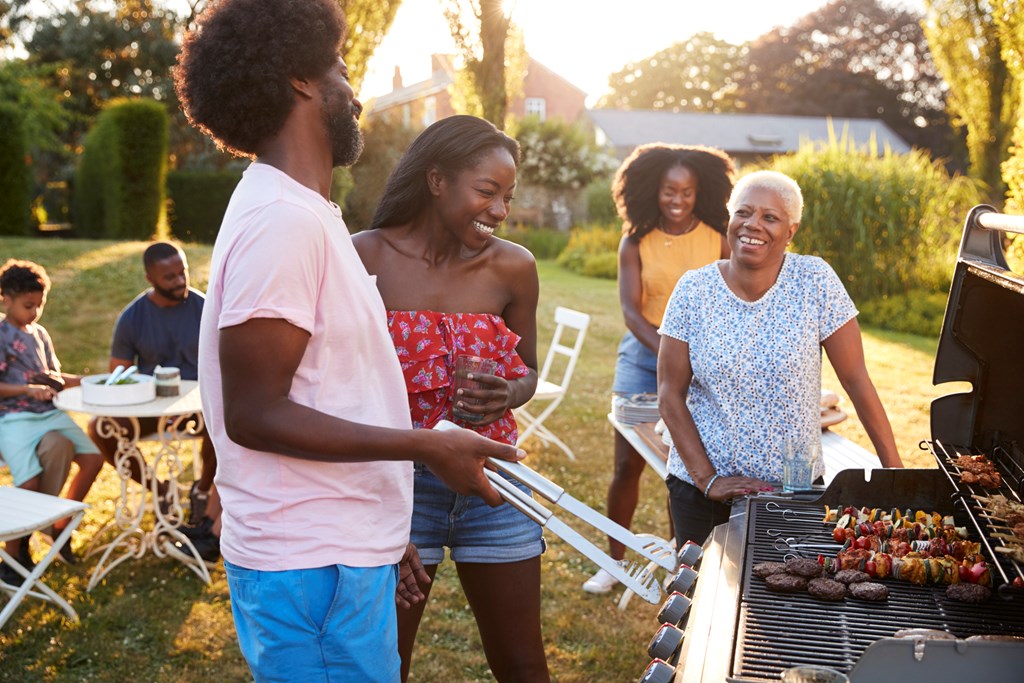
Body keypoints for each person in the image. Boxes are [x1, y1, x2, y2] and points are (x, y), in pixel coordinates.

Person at [173, 2, 522, 681]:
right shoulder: (282, 220)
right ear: (299, 80)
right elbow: (254, 412)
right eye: (338, 67)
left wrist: (383, 529)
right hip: (310, 567)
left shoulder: (310, 212)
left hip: (339, 551)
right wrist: (429, 445)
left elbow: (335, 388)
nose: (352, 90)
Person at [354, 115, 548, 682]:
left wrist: (508, 391)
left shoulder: (514, 267)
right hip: (395, 486)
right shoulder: (363, 258)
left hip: (493, 482)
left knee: (523, 666)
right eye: (487, 192)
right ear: (437, 181)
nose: (500, 211)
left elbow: (530, 372)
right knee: (386, 664)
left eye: (508, 197)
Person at [657, 170, 905, 548]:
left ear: (790, 231)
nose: (752, 225)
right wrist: (707, 479)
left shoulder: (815, 281)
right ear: (730, 217)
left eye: (770, 217)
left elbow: (856, 381)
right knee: (702, 601)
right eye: (743, 212)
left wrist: (896, 476)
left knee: (785, 595)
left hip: (795, 489)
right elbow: (668, 393)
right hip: (702, 494)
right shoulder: (694, 289)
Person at [584, 143, 734, 594]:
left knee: (684, 468)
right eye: (670, 190)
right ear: (653, 190)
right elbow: (631, 313)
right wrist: (675, 354)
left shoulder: (719, 236)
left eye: (687, 192)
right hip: (641, 366)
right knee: (626, 466)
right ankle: (612, 563)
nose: (678, 199)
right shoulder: (635, 241)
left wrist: (700, 360)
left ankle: (681, 565)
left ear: (699, 192)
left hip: (703, 371)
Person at [86, 241, 220, 560]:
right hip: (147, 408)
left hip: (199, 406)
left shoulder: (205, 309)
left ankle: (201, 491)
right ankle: (158, 489)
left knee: (225, 423)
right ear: (150, 278)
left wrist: (190, 406)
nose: (180, 281)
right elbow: (118, 375)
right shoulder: (133, 318)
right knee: (100, 428)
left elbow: (223, 365)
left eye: (182, 272)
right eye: (169, 277)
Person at [0, 259, 105, 582]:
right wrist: (27, 390)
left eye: (39, 305)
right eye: (28, 305)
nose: (34, 312)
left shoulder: (40, 333)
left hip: (50, 414)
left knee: (93, 457)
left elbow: (53, 377)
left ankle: (58, 526)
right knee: (28, 482)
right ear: (5, 299)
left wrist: (93, 380)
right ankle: (12, 556)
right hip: (13, 418)